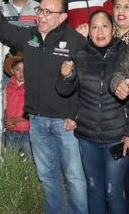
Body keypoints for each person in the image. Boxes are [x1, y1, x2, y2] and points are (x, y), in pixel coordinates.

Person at [0, 0, 88, 214]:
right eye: (40, 10)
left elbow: (85, 82)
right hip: (38, 122)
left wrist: (75, 115)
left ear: (62, 17)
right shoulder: (31, 37)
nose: (41, 15)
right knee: (48, 177)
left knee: (75, 178)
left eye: (48, 12)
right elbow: (4, 30)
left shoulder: (75, 41)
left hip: (65, 123)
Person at [57, 11, 128, 214]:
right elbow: (64, 91)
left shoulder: (125, 53)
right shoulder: (80, 54)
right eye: (95, 27)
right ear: (89, 31)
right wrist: (65, 76)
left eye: (104, 26)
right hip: (87, 138)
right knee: (94, 190)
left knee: (113, 193)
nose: (100, 32)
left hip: (117, 138)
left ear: (113, 29)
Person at [3, 52, 31, 155]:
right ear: (12, 71)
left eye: (25, 70)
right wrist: (7, 121)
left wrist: (15, 120)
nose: (21, 74)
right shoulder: (8, 86)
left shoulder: (32, 87)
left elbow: (32, 110)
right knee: (11, 157)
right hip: (11, 129)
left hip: (27, 129)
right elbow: (5, 106)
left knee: (28, 157)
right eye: (17, 70)